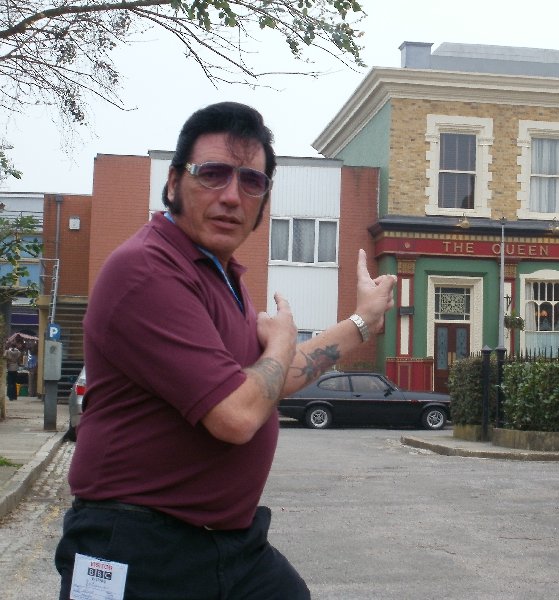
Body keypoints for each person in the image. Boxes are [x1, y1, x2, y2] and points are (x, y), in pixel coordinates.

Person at [54, 102, 396, 599]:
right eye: (212, 174)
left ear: (265, 200)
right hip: (134, 546)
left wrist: (362, 321)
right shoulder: (148, 270)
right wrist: (281, 337)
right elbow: (236, 416)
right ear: (173, 183)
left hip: (228, 546)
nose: (232, 196)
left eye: (251, 182)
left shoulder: (220, 275)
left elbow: (265, 382)